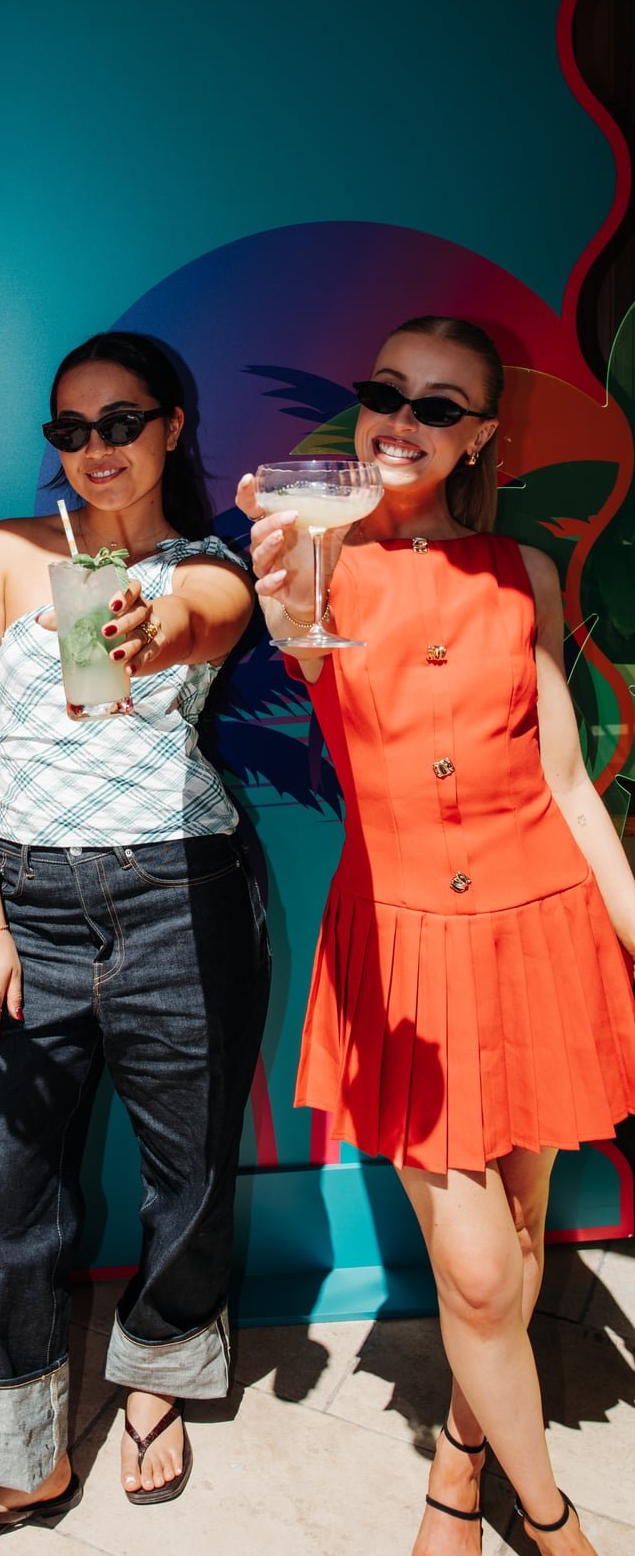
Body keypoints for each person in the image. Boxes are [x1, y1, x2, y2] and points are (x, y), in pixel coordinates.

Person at [239, 314, 635, 1556]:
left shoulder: (527, 571)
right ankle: (559, 1525)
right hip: (406, 950)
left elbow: (568, 786)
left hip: (543, 929)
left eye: (439, 405)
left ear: (480, 439)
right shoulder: (318, 561)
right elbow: (296, 634)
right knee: (474, 1274)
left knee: (520, 1239)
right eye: (385, 392)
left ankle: (457, 1468)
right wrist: (279, 559)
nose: (402, 421)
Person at [0, 329, 269, 1556]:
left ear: (173, 426)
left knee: (192, 1164)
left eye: (123, 423)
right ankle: (16, 1447)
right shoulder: (10, 553)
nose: (97, 450)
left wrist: (144, 632)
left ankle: (160, 1373)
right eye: (72, 430)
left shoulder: (210, 564)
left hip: (183, 891)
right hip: (31, 910)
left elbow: (202, 620)